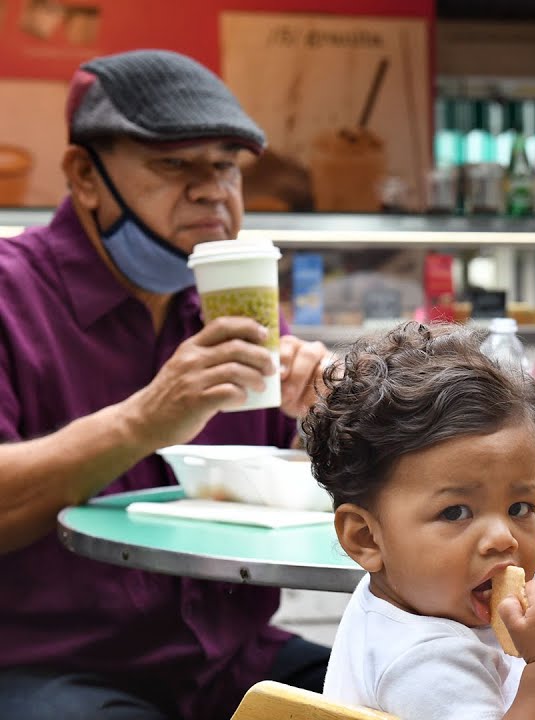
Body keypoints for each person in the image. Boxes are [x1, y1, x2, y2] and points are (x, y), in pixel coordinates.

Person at [0, 50, 331, 719]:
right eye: (174, 164)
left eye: (227, 165)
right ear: (85, 177)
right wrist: (142, 421)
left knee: (410, 692)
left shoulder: (230, 300)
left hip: (229, 658)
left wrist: (330, 415)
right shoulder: (12, 294)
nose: (214, 190)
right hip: (49, 666)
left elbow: (316, 486)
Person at [305, 323, 535, 718]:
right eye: (455, 512)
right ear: (367, 538)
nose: (502, 538)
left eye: (520, 508)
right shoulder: (427, 664)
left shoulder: (414, 600)